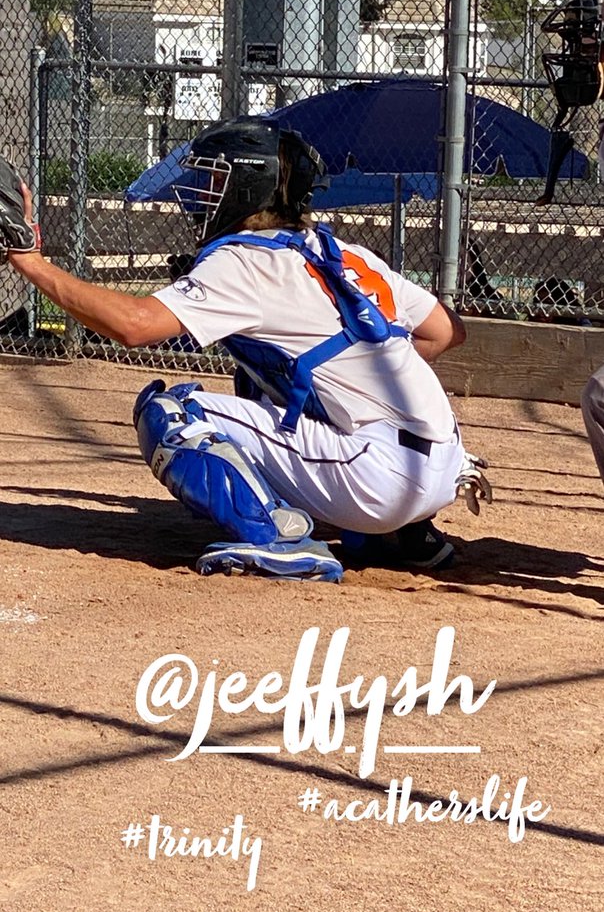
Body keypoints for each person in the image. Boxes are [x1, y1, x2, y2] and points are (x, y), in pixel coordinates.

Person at [3, 118, 491, 583]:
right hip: (444, 468)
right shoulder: (343, 253)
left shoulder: (246, 260)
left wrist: (33, 264)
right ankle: (399, 537)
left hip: (377, 478)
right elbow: (445, 333)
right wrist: (360, 378)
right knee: (266, 383)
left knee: (172, 414)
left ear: (247, 189)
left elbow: (133, 327)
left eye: (213, 180)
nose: (197, 194)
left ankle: (283, 539)